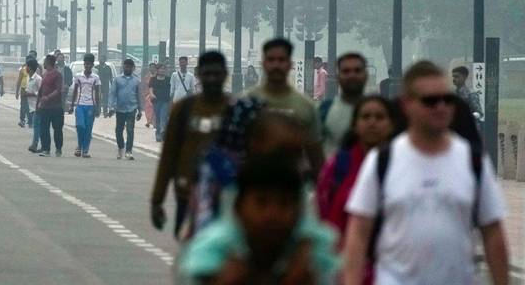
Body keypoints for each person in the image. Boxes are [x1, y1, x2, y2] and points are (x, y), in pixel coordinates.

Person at [343, 60, 509, 285]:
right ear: (407, 105)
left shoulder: (473, 161)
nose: (441, 107)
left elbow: (492, 231)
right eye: (430, 101)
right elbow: (359, 232)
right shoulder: (383, 161)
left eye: (447, 100)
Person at [178, 155, 341, 284]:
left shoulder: (314, 249)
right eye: (261, 202)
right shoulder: (212, 250)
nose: (273, 214)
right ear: (238, 208)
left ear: (299, 211)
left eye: (284, 203)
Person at [152, 51, 231, 240]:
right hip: (187, 189)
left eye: (216, 74)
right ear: (199, 76)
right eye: (207, 74)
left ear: (225, 75)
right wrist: (157, 200)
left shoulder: (234, 109)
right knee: (187, 241)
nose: (212, 79)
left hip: (225, 194)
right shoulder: (184, 109)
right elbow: (168, 155)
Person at [315, 95, 398, 245]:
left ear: (391, 125)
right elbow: (322, 212)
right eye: (366, 117)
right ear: (354, 125)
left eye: (379, 117)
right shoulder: (337, 165)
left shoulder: (400, 165)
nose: (372, 122)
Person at [247, 38, 324, 174]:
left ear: (289, 64)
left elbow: (315, 156)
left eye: (281, 60)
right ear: (263, 63)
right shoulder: (247, 102)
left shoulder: (306, 106)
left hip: (294, 181)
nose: (276, 65)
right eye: (271, 60)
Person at [319, 52, 369, 157]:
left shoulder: (378, 110)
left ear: (366, 75)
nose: (352, 75)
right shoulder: (325, 110)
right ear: (338, 77)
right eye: (346, 71)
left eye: (357, 71)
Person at [68, 53, 100, 158]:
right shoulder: (78, 76)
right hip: (80, 104)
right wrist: (72, 105)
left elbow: (97, 93)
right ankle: (79, 145)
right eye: (86, 64)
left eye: (89, 64)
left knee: (88, 129)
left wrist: (97, 107)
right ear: (84, 64)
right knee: (80, 126)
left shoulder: (95, 78)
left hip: (91, 105)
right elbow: (75, 91)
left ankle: (85, 150)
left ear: (92, 65)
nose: (87, 66)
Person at [110, 58, 142, 160]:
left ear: (133, 68)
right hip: (120, 108)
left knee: (130, 130)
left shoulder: (137, 81)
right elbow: (113, 93)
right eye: (126, 66)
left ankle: (129, 151)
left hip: (132, 108)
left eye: (130, 67)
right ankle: (120, 147)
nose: (128, 68)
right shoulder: (117, 79)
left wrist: (140, 110)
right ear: (123, 67)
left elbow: (139, 96)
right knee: (118, 131)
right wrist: (111, 106)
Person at [36, 53, 65, 157]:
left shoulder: (57, 75)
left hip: (56, 107)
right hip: (45, 107)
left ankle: (58, 148)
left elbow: (58, 90)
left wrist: (48, 97)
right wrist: (39, 103)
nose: (43, 64)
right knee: (44, 128)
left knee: (57, 129)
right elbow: (41, 91)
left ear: (48, 62)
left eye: (44, 62)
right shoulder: (44, 75)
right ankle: (46, 149)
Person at [151, 63, 173, 142]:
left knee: (163, 116)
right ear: (157, 70)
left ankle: (162, 132)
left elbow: (171, 89)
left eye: (164, 69)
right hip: (156, 101)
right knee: (158, 118)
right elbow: (150, 88)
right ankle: (158, 134)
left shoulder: (168, 79)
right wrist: (152, 94)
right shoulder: (153, 79)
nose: (162, 70)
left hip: (165, 101)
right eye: (160, 69)